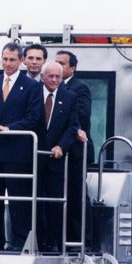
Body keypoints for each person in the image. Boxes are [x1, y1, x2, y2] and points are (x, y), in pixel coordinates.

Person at [0, 42, 43, 251]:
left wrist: (7, 128)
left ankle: (19, 243)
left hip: (17, 152)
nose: (7, 63)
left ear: (21, 61)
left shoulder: (32, 86)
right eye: (4, 59)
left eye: (12, 59)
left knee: (18, 202)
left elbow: (33, 118)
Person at [36, 61, 79, 253]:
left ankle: (52, 243)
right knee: (34, 203)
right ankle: (35, 241)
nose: (54, 80)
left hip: (56, 159)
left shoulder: (70, 97)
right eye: (50, 76)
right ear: (42, 77)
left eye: (58, 77)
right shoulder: (32, 93)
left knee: (54, 205)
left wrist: (61, 146)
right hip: (33, 157)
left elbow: (73, 126)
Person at [55, 50, 94, 245]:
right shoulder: (51, 87)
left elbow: (82, 116)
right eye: (56, 62)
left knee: (76, 194)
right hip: (59, 149)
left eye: (62, 63)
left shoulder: (80, 88)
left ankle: (81, 239)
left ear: (72, 68)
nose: (58, 66)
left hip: (77, 150)